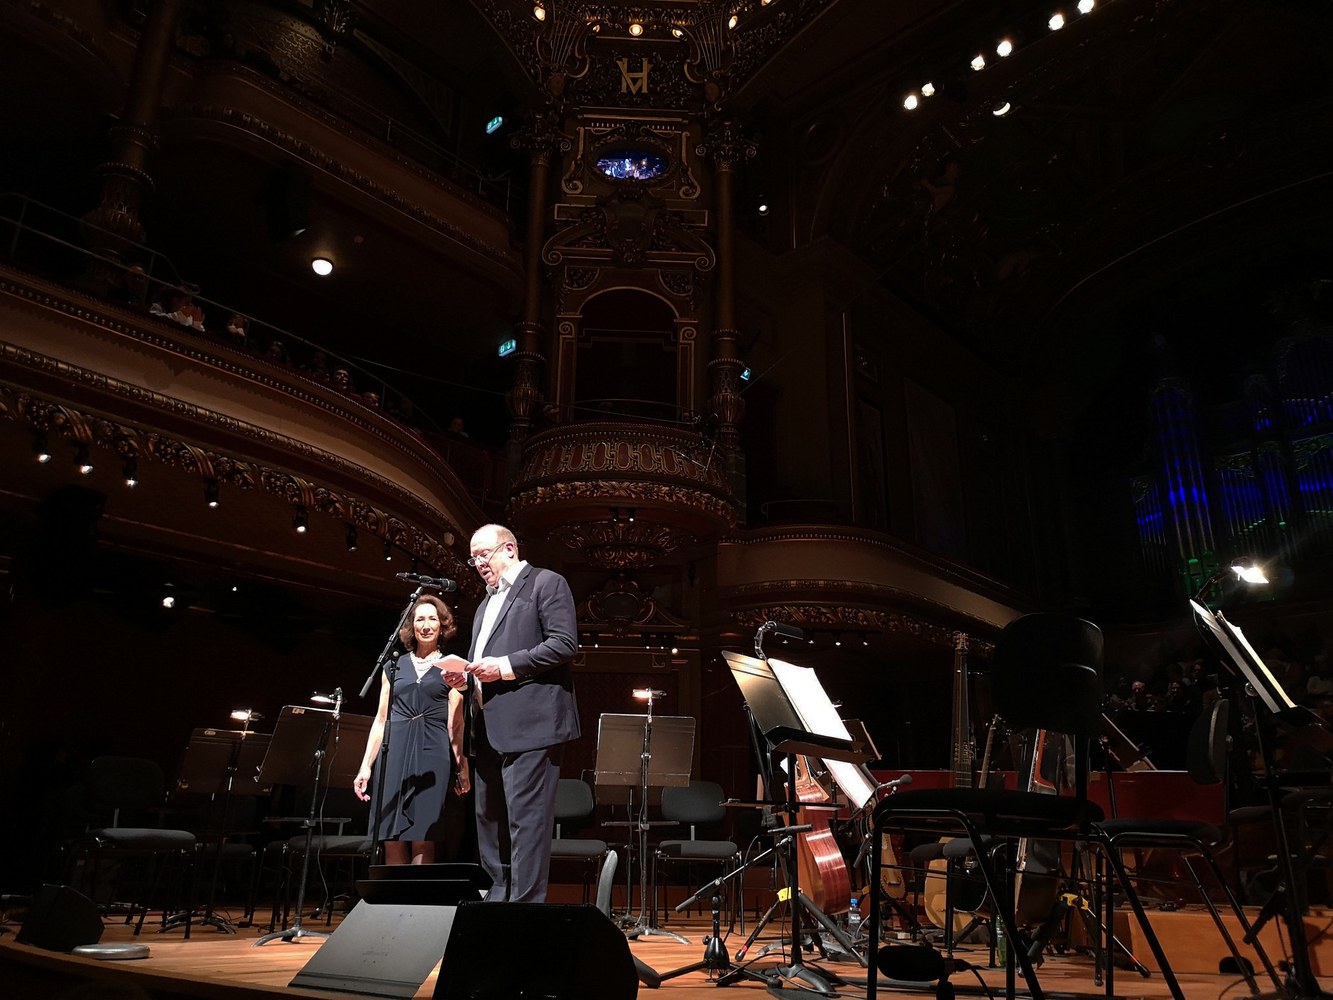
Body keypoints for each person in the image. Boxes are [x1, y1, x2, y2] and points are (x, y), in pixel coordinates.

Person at [450, 523, 579, 902]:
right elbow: (481, 665)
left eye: (483, 554)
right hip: (487, 728)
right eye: (473, 558)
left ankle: (524, 912)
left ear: (509, 548)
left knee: (527, 822)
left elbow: (564, 643)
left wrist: (504, 667)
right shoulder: (484, 605)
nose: (478, 563)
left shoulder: (545, 583)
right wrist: (465, 679)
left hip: (532, 726)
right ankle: (496, 904)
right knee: (489, 823)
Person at [353, 594, 470, 864]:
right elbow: (381, 719)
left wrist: (462, 766)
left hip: (432, 752)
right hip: (394, 751)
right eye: (420, 619)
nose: (426, 625)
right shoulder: (393, 666)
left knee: (424, 834)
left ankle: (416, 892)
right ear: (411, 626)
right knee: (390, 835)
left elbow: (456, 724)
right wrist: (365, 766)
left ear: (442, 625)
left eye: (432, 619)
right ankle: (393, 892)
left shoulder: (452, 666)